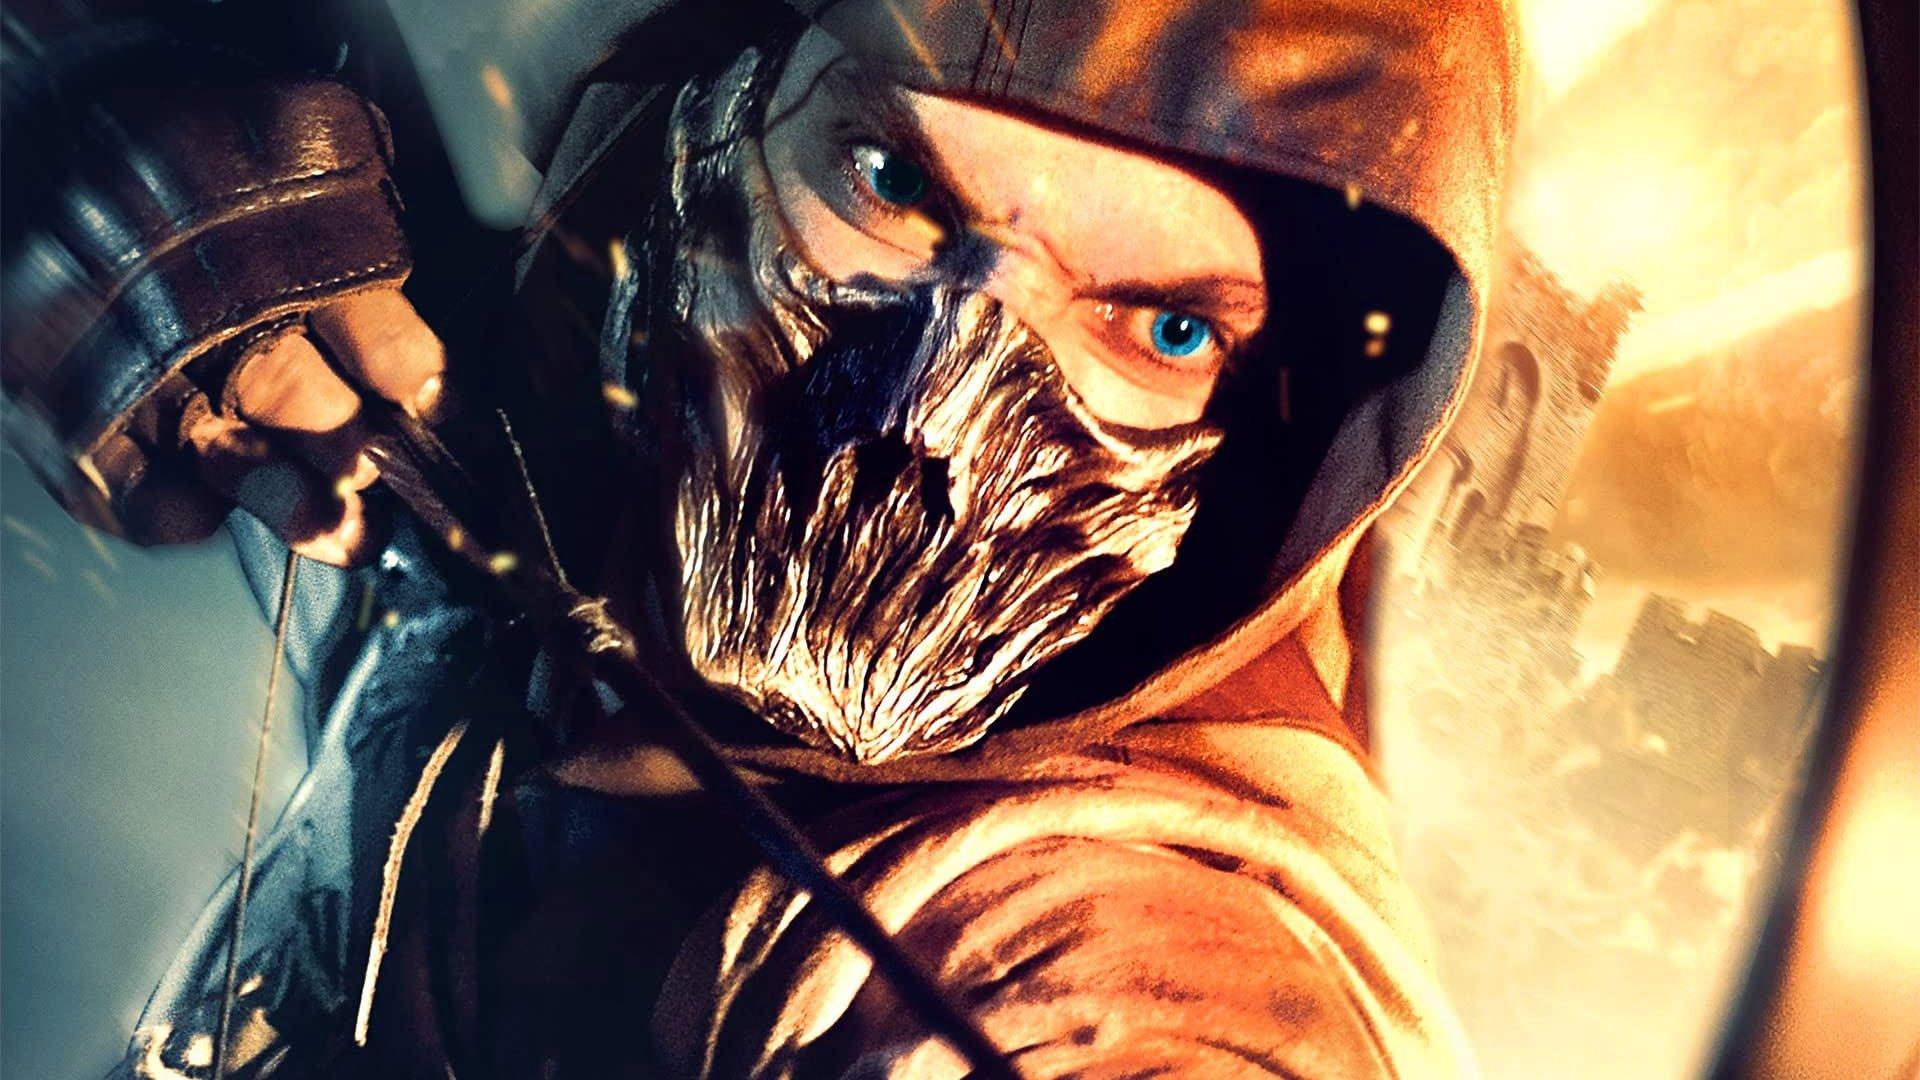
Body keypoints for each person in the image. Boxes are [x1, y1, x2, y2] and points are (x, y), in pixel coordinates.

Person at [1, 0, 1516, 1074]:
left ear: (1279, 450)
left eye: (1163, 326)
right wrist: (96, 115)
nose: (922, 418)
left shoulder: (1131, 948)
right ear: (709, 120)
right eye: (891, 185)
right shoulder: (534, 453)